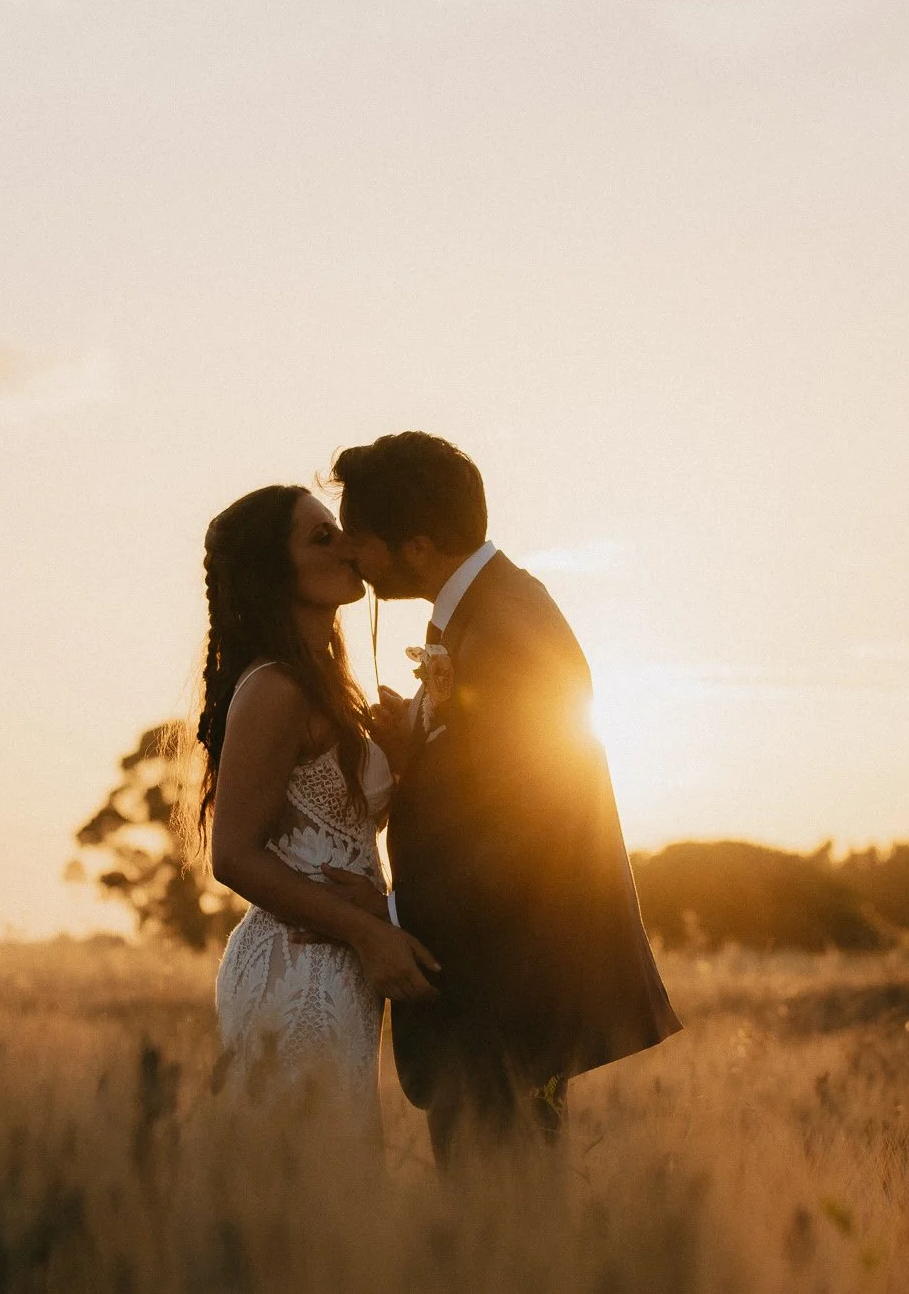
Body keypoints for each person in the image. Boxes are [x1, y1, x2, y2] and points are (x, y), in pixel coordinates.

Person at [322, 432, 682, 1166]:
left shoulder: (508, 627)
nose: (350, 554)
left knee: (508, 1229)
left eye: (359, 539)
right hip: (494, 987)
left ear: (417, 546)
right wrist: (415, 743)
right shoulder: (480, 612)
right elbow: (486, 782)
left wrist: (384, 914)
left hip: (509, 990)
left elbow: (529, 828)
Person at [198, 484, 442, 1131]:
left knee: (332, 1192)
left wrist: (402, 756)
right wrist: (369, 932)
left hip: (342, 962)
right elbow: (232, 855)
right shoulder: (275, 688)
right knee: (305, 1189)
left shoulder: (325, 687)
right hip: (299, 958)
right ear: (274, 570)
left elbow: (333, 827)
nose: (347, 545)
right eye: (321, 536)